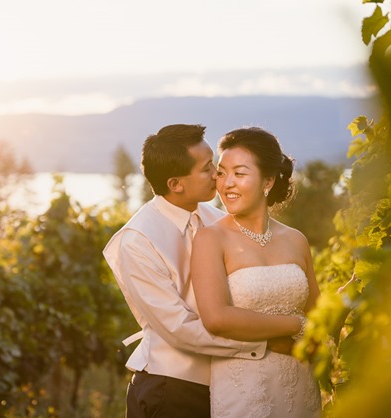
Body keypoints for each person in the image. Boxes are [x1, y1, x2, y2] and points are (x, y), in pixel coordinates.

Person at [103, 124, 305, 418]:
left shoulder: (216, 218)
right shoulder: (137, 240)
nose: (218, 175)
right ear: (176, 184)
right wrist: (264, 344)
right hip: (172, 388)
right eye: (207, 168)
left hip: (229, 385)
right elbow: (180, 329)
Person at [191, 126, 322, 418]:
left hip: (300, 384)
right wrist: (294, 325)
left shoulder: (296, 239)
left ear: (268, 181)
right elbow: (216, 318)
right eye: (222, 173)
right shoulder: (210, 238)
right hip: (243, 390)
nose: (226, 184)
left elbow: (317, 314)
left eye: (239, 173)